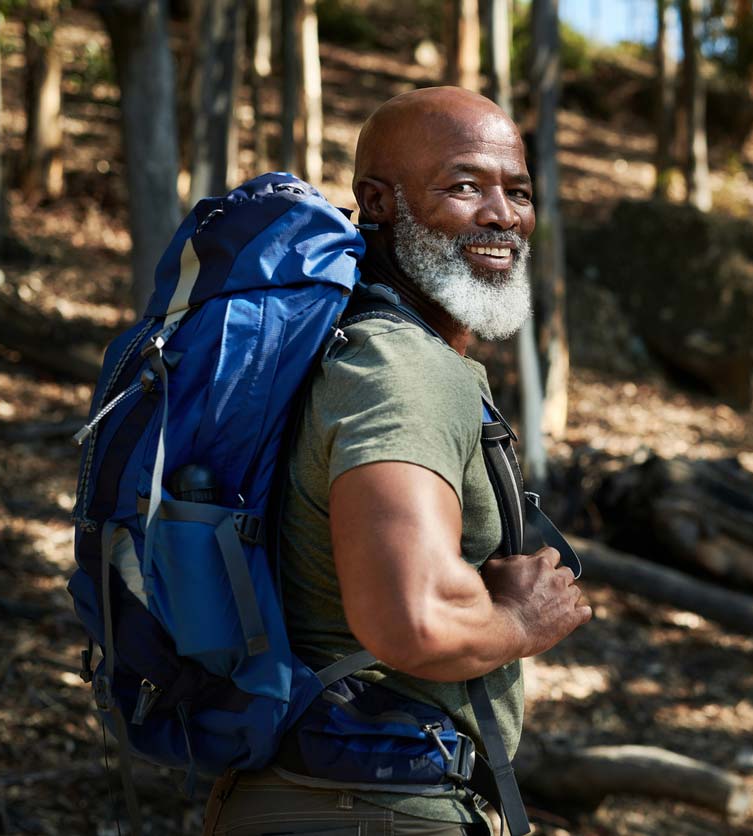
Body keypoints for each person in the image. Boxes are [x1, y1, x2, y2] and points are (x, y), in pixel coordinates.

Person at [202, 87, 592, 835]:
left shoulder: (363, 345)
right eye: (464, 186)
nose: (503, 216)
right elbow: (411, 620)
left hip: (329, 792)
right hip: (366, 805)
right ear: (378, 201)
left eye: (517, 191)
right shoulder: (400, 372)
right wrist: (519, 619)